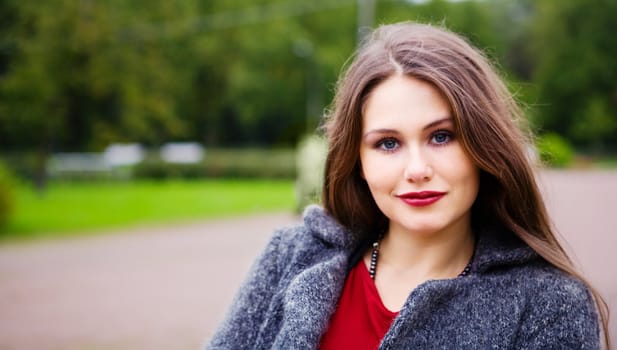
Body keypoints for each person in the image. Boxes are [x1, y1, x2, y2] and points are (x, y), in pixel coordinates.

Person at [206, 22, 609, 349]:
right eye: (388, 143)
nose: (416, 169)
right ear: (358, 162)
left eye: (441, 137)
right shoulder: (290, 259)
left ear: (483, 145)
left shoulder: (550, 306)